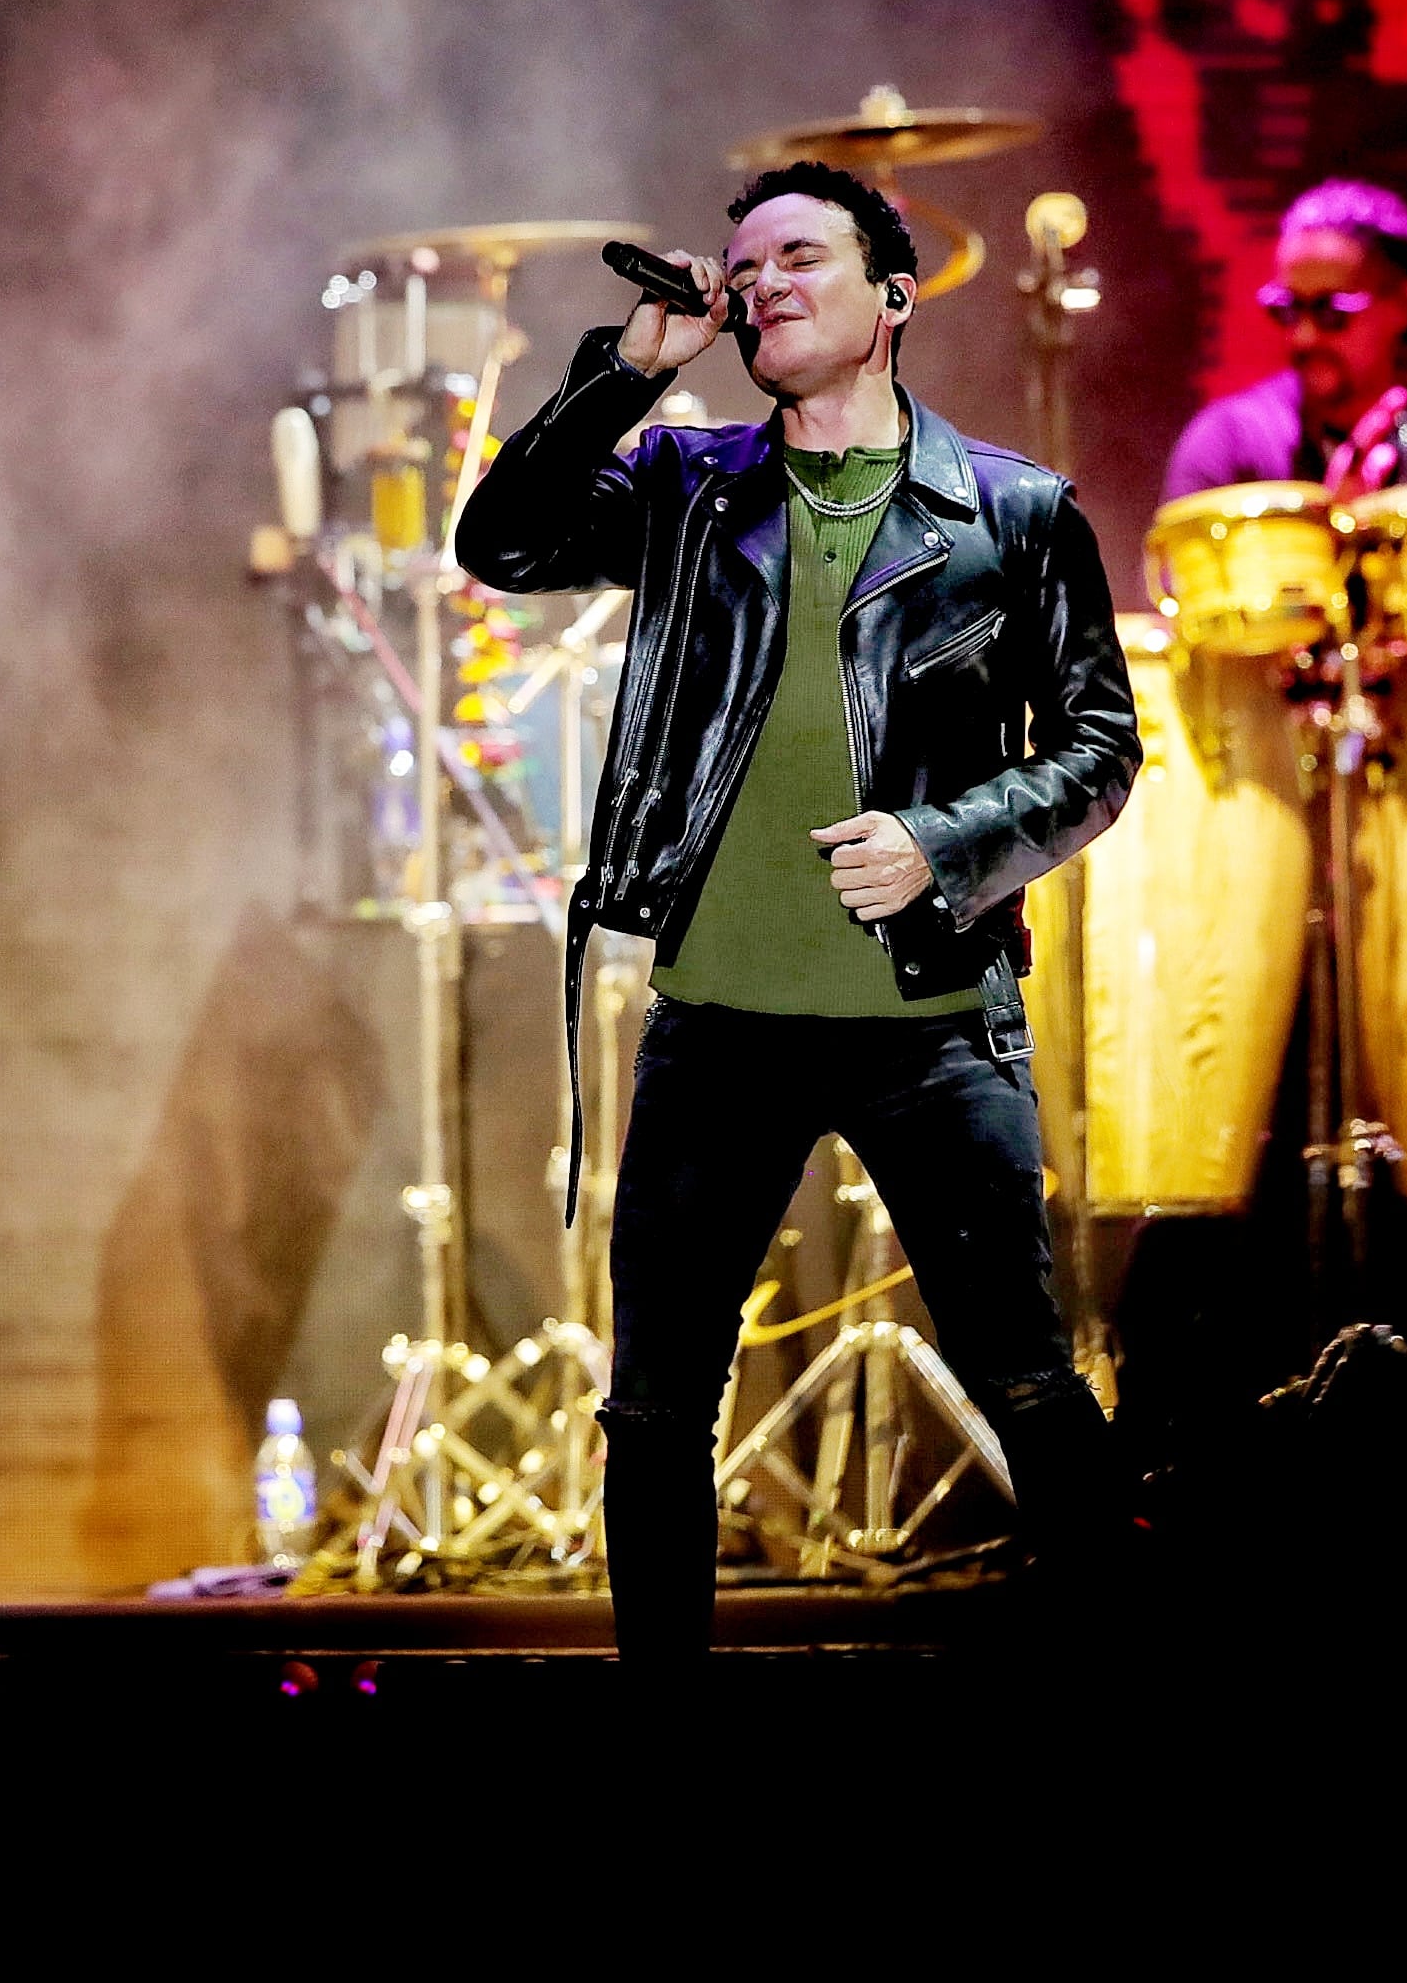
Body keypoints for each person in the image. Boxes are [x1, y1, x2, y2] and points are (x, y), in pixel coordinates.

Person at [455, 162, 1142, 1667]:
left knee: (1028, 1382)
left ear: (893, 297)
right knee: (654, 1413)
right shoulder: (689, 488)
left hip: (932, 1023)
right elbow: (499, 546)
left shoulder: (1014, 513)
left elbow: (1100, 750)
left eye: (799, 258)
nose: (760, 282)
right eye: (744, 264)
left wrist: (944, 845)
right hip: (720, 1024)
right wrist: (621, 374)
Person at [1159, 179, 1407, 620]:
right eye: (1288, 309)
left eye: (1332, 312)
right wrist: (1331, 539)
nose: (1303, 336)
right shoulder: (1228, 443)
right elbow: (1180, 608)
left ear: (1406, 304)